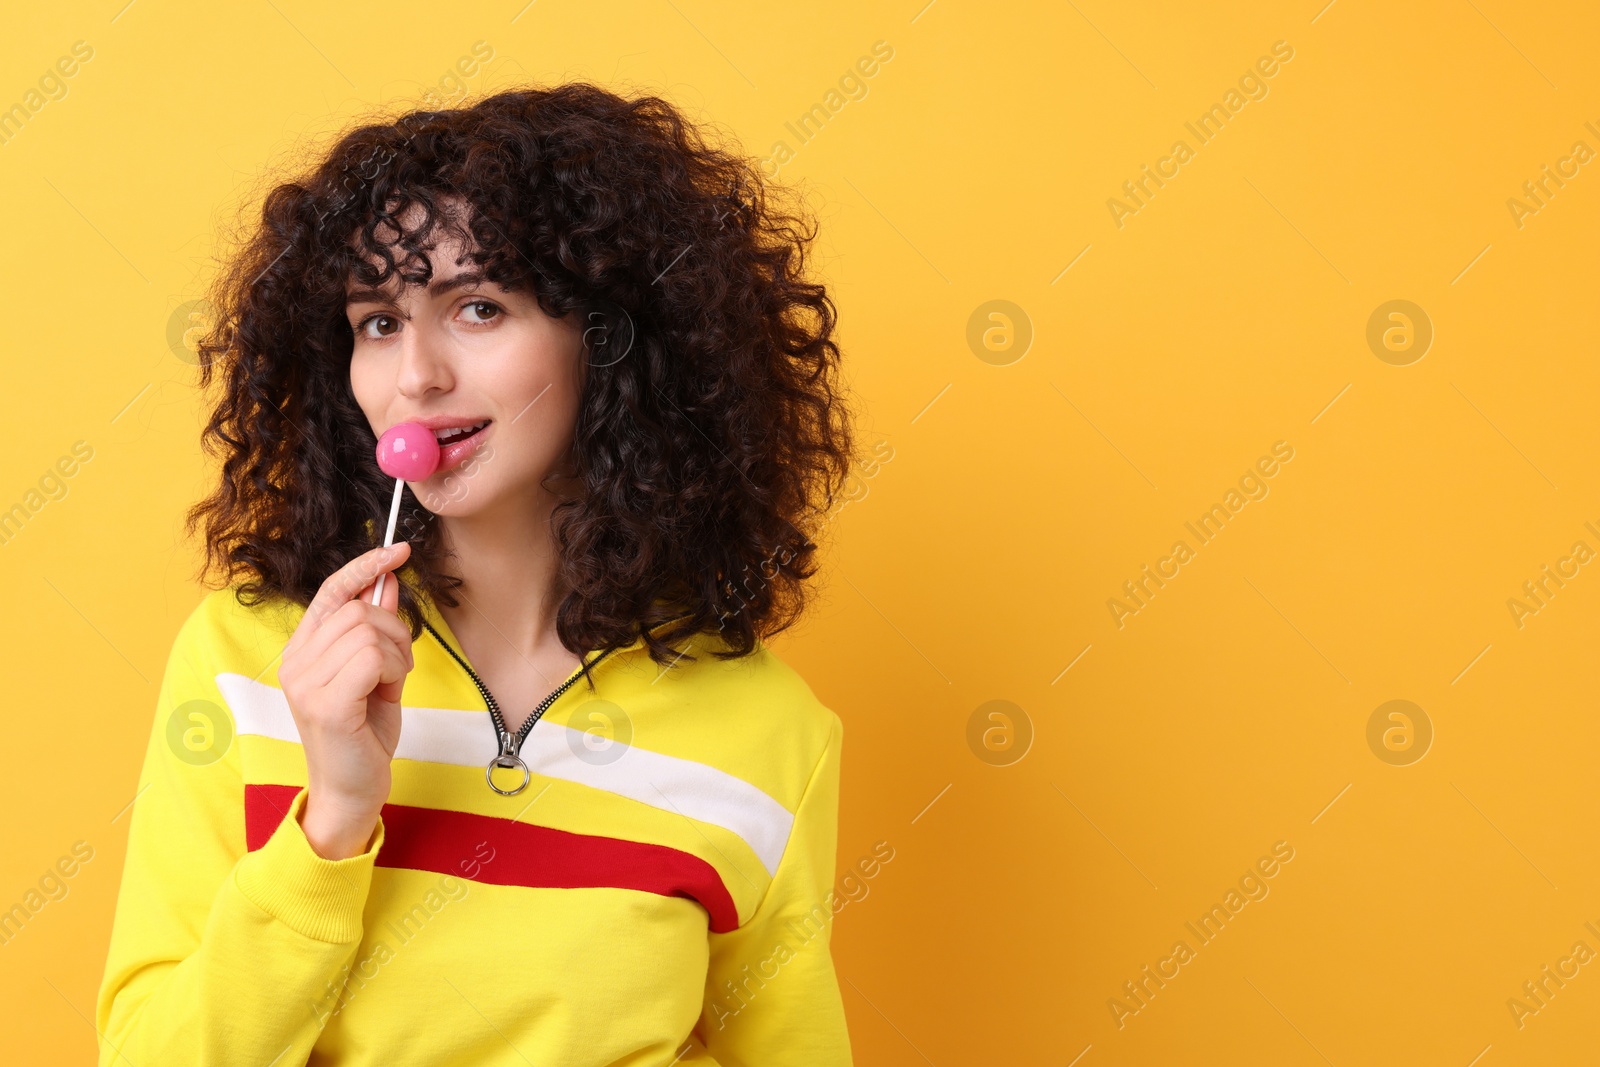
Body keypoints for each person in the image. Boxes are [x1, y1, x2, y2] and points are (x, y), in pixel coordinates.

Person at [95, 83, 859, 1067]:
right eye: (376, 321)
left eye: (477, 307)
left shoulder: (770, 729)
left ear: (612, 339)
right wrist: (330, 821)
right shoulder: (250, 665)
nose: (414, 375)